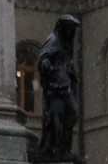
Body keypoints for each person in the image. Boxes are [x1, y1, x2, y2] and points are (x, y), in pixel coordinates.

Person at [36, 14, 81, 159]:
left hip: (66, 86)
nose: (70, 31)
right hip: (55, 88)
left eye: (72, 29)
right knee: (57, 120)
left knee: (73, 114)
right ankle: (58, 149)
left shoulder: (67, 43)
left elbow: (66, 62)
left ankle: (64, 147)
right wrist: (48, 66)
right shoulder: (54, 40)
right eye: (69, 28)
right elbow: (43, 57)